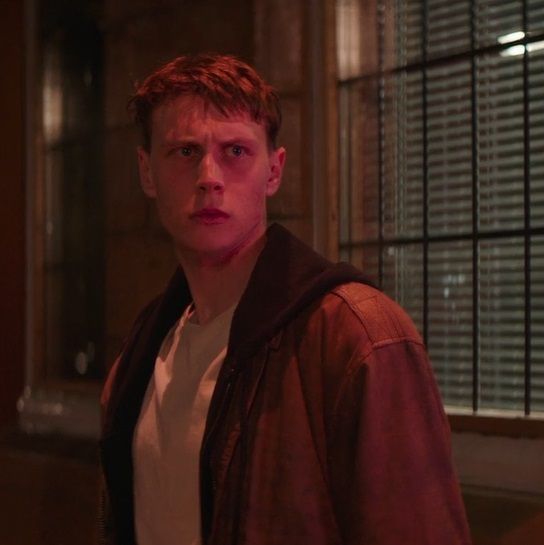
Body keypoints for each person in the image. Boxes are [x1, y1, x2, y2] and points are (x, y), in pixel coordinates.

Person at [99, 53, 471, 545]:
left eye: (235, 151)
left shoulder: (355, 335)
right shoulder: (145, 348)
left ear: (273, 172)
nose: (210, 176)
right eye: (185, 152)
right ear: (147, 172)